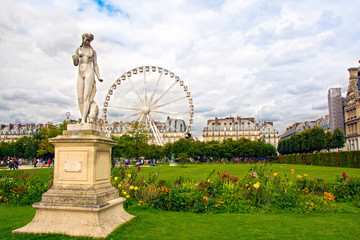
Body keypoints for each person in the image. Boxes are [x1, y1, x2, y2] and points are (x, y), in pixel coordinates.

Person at [72, 33, 103, 124]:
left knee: (86, 97)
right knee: (79, 98)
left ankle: (83, 119)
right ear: (83, 39)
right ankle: (83, 117)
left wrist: (98, 76)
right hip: (80, 73)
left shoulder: (93, 52)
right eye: (87, 39)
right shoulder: (79, 50)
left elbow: (95, 65)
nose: (88, 41)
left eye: (89, 40)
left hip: (89, 72)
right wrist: (74, 59)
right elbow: (76, 63)